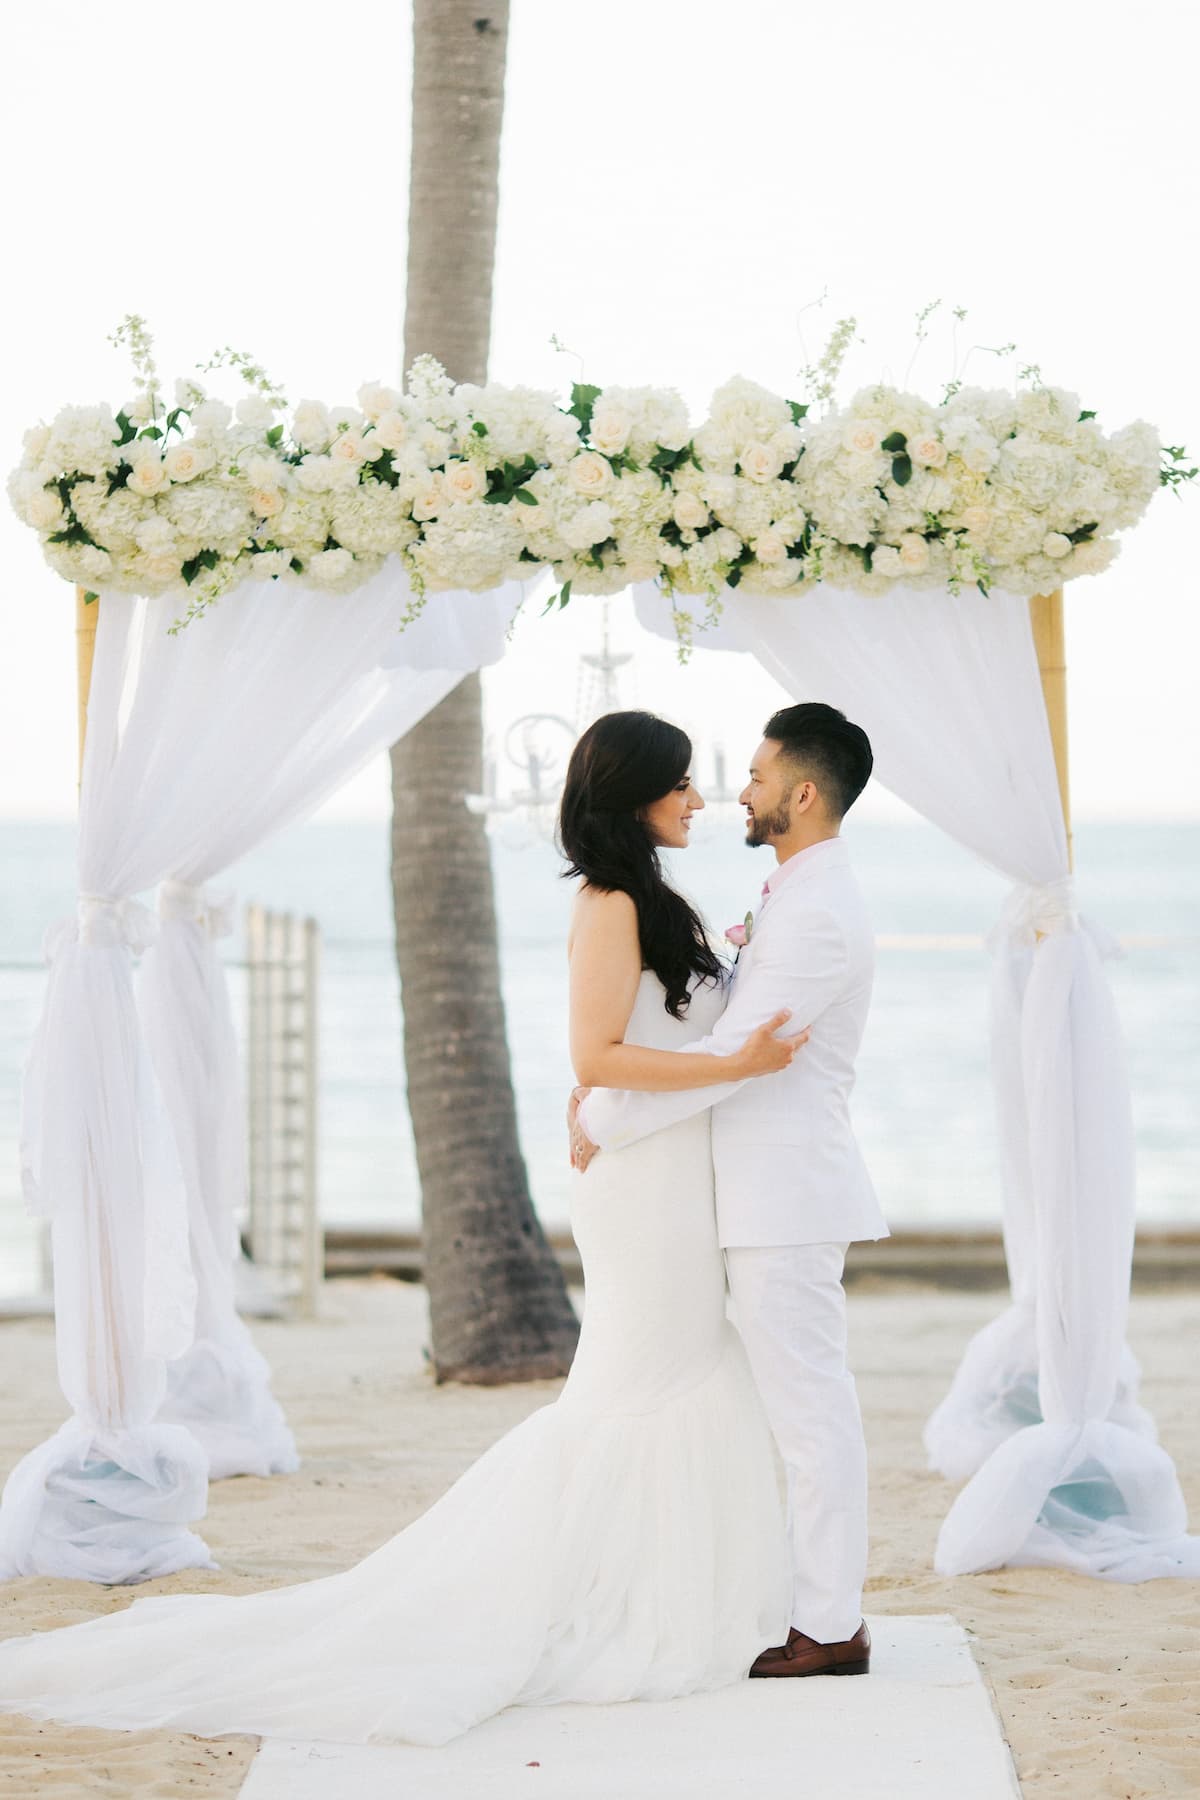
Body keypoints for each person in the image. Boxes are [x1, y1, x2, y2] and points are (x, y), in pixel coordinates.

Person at [0, 711, 803, 1748]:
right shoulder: (609, 904)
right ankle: (595, 1599)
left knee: (682, 1374)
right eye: (682, 784)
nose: (699, 800)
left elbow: (627, 1050)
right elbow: (597, 1054)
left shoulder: (660, 898)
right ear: (635, 793)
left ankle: (667, 1590)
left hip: (670, 1174)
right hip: (642, 1190)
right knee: (635, 1388)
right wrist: (729, 1069)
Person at [571, 701, 888, 1679]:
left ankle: (830, 1623)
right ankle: (771, 1599)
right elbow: (678, 1044)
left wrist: (598, 1119)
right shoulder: (792, 892)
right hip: (727, 1193)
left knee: (807, 1411)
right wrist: (595, 1096)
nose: (732, 793)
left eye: (752, 777)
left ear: (800, 792)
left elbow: (734, 1056)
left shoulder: (820, 910)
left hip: (782, 1198)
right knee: (754, 1404)